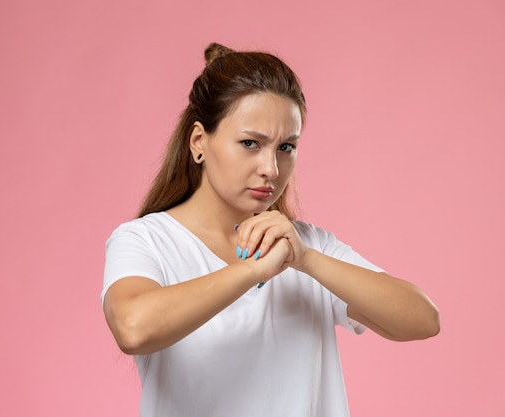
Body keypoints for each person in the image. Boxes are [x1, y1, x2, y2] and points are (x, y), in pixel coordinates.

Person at [101, 42, 440, 417]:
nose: (271, 169)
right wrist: (252, 270)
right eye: (250, 143)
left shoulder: (305, 246)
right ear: (199, 142)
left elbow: (423, 320)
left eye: (286, 147)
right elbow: (132, 328)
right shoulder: (147, 240)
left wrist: (307, 259)